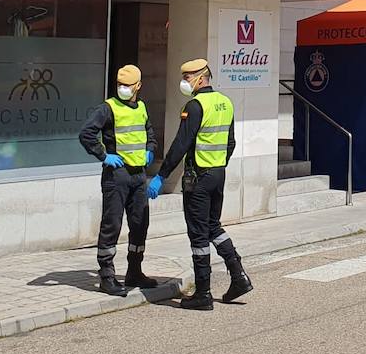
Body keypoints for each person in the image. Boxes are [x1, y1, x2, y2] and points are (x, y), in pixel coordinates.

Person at [148, 58, 252, 311]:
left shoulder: (195, 106)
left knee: (198, 234)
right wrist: (219, 164)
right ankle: (238, 276)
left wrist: (161, 175)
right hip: (217, 174)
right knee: (213, 226)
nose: (184, 82)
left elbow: (181, 144)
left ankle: (203, 292)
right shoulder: (225, 102)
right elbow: (231, 142)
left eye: (187, 78)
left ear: (200, 78)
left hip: (199, 179)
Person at [79, 64, 158, 296]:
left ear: (138, 86)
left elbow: (150, 134)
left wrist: (150, 150)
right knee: (111, 225)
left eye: (127, 85)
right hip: (117, 175)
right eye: (120, 85)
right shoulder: (108, 108)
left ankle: (135, 271)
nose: (123, 89)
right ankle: (106, 277)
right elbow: (86, 133)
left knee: (140, 224)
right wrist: (104, 155)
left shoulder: (142, 107)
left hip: (138, 175)